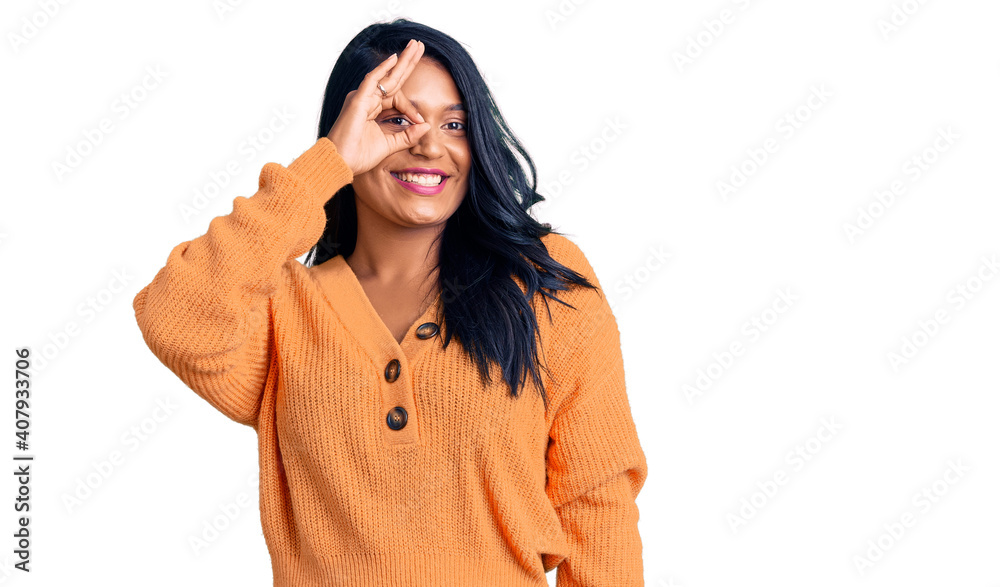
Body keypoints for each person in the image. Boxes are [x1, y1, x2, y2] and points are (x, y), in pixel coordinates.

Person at [132, 18, 647, 586]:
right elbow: (176, 318)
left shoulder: (540, 282)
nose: (430, 145)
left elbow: (597, 504)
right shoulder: (284, 309)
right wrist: (326, 165)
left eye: (455, 124)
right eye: (397, 119)